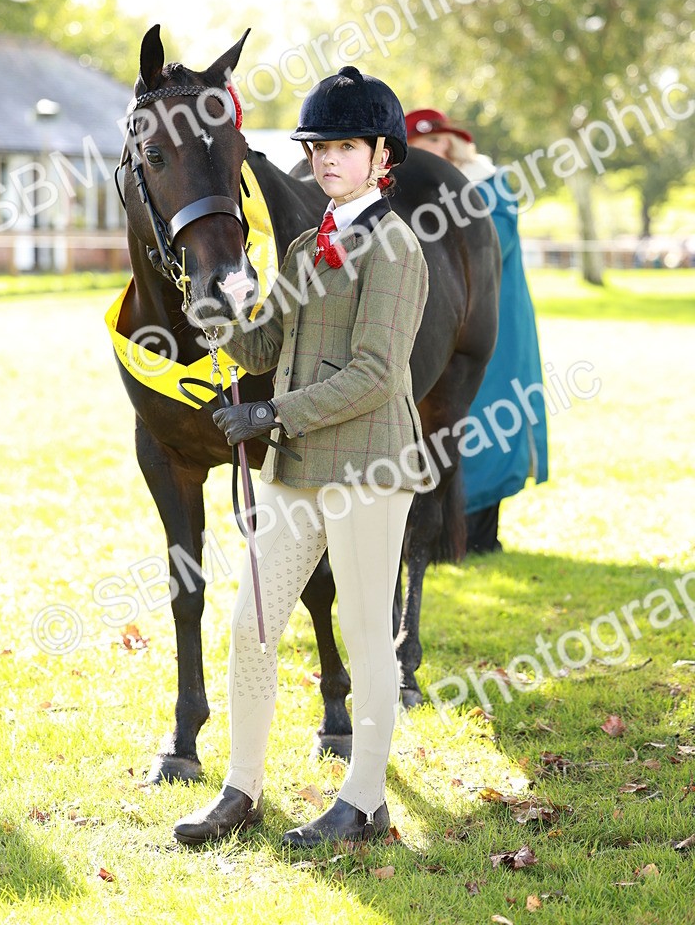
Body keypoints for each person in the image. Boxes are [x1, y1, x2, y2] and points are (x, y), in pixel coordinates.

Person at [173, 66, 431, 849]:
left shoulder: (393, 247)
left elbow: (374, 374)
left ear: (381, 155)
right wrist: (216, 306)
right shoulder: (301, 244)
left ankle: (364, 802)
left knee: (362, 629)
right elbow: (268, 345)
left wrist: (270, 413)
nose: (327, 160)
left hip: (367, 472)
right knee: (250, 627)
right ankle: (240, 789)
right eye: (319, 146)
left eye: (345, 146)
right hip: (294, 475)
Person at [405, 108, 549, 553]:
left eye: (433, 143)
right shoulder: (415, 189)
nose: (427, 151)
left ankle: (477, 533)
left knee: (490, 420)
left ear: (449, 145)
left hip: (492, 316)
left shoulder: (487, 183)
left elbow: (494, 244)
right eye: (418, 145)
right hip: (442, 316)